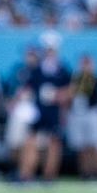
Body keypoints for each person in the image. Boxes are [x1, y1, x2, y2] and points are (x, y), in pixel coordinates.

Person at [19, 34, 68, 182]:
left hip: (53, 110)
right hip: (37, 110)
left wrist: (58, 95)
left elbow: (68, 90)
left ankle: (49, 175)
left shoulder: (62, 70)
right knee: (31, 141)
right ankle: (26, 173)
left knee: (53, 142)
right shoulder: (36, 69)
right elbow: (27, 88)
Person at [64, 53, 97, 179]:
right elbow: (70, 95)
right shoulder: (74, 78)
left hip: (92, 112)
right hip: (77, 113)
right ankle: (85, 171)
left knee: (94, 144)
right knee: (81, 145)